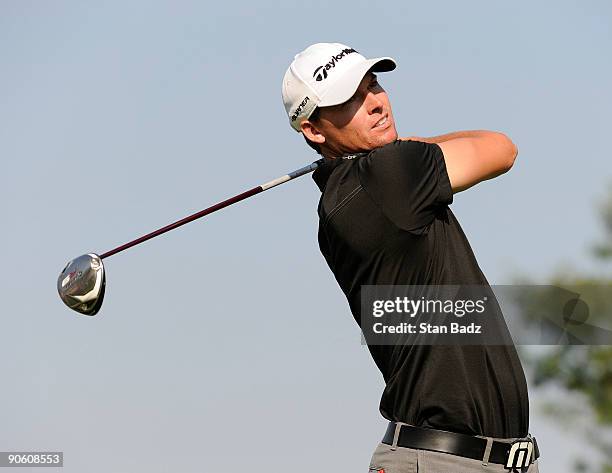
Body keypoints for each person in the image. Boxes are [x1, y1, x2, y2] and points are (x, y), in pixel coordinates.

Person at [281, 43, 541, 473]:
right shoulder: (390, 175)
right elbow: (501, 149)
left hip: (471, 459)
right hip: (444, 461)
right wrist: (399, 146)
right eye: (349, 100)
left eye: (373, 84)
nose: (375, 103)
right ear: (314, 130)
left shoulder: (345, 198)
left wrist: (390, 149)